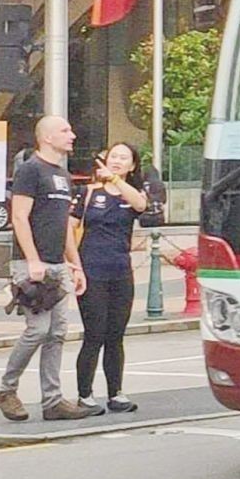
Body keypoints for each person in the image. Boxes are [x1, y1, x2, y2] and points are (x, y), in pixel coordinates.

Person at [0, 116, 95, 423]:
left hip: (57, 264)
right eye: (65, 130)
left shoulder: (63, 175)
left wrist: (75, 264)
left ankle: (52, 400)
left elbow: (64, 224)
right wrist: (33, 259)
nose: (72, 134)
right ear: (47, 137)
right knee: (37, 329)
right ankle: (6, 389)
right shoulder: (30, 170)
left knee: (58, 332)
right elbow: (20, 217)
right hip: (32, 264)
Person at [72, 143, 149, 414]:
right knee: (94, 333)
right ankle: (84, 394)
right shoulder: (88, 193)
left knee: (116, 334)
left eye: (123, 158)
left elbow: (141, 205)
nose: (117, 160)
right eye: (113, 156)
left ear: (132, 166)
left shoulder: (132, 194)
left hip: (120, 270)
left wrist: (116, 179)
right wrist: (74, 265)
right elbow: (69, 229)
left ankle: (116, 392)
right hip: (91, 269)